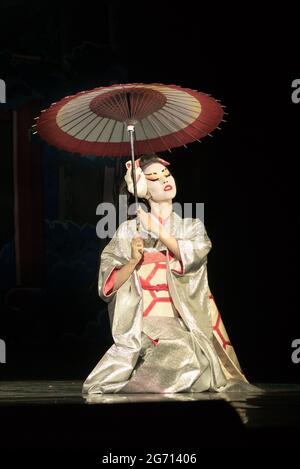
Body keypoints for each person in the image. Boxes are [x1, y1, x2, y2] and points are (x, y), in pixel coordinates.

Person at [82, 153, 252, 394]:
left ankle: (144, 387)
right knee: (174, 353)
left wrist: (158, 231)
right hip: (143, 322)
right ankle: (138, 383)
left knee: (190, 353)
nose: (164, 180)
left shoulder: (191, 226)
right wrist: (133, 261)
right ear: (144, 190)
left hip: (180, 321)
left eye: (166, 174)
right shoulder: (129, 231)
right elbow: (107, 287)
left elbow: (193, 258)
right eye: (154, 178)